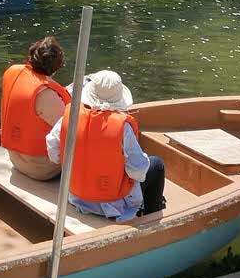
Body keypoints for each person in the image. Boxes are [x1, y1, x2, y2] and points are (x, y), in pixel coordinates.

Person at [46, 69, 167, 219]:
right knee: (157, 164)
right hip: (113, 204)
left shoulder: (72, 115)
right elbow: (138, 171)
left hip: (76, 196)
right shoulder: (122, 127)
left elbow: (53, 150)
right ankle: (151, 216)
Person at [0, 36, 70, 179]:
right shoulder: (47, 95)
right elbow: (69, 132)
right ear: (56, 66)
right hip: (41, 168)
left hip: (14, 156)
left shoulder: (12, 71)